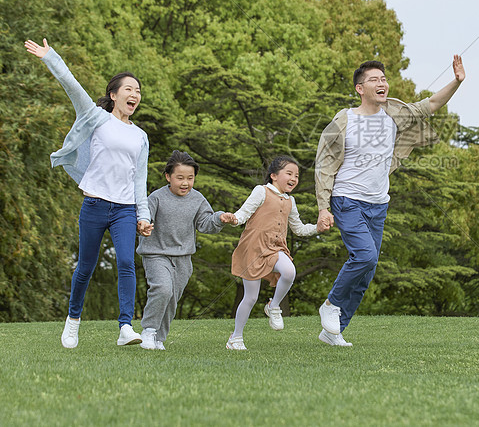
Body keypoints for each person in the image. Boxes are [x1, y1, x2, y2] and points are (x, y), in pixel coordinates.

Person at [314, 55, 465, 346]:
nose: (382, 83)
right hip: (347, 199)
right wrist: (323, 207)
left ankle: (333, 331)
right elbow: (324, 164)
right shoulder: (344, 120)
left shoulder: (393, 115)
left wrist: (456, 81)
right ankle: (331, 305)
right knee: (365, 256)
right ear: (360, 89)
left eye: (383, 79)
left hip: (378, 204)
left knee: (367, 271)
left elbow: (430, 105)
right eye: (374, 79)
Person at [24, 38, 151, 348]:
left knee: (125, 262)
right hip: (94, 204)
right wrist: (49, 56)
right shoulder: (97, 118)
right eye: (128, 89)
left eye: (137, 91)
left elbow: (140, 179)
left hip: (124, 209)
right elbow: (72, 85)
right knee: (86, 266)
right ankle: (73, 320)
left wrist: (143, 215)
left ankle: (125, 327)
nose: (134, 94)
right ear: (114, 95)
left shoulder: (140, 136)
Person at [225, 156, 324, 351]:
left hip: (275, 248)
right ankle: (235, 338)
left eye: (296, 175)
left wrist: (317, 228)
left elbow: (299, 229)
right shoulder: (261, 191)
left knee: (289, 271)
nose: (293, 178)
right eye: (289, 173)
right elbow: (243, 214)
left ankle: (273, 306)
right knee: (251, 298)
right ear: (273, 176)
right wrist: (233, 219)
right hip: (253, 249)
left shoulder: (290, 201)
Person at [138, 150, 234, 350]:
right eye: (180, 178)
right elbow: (143, 218)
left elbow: (205, 223)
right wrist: (143, 225)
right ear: (168, 177)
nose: (185, 183)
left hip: (183, 258)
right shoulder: (156, 197)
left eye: (190, 178)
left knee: (172, 298)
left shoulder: (197, 199)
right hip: (156, 253)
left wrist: (219, 218)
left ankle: (159, 339)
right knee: (162, 289)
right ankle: (148, 330)